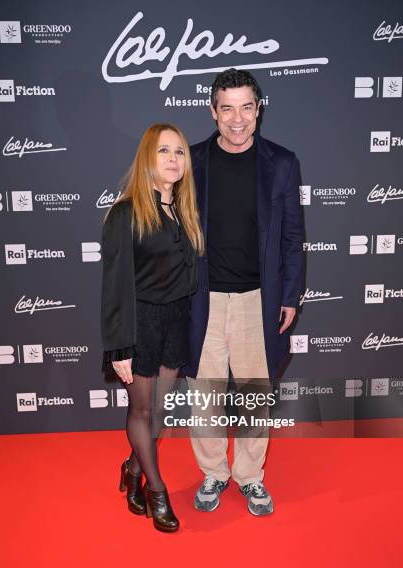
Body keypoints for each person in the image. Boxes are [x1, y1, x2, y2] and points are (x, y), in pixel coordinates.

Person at [184, 69, 305, 516]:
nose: (238, 119)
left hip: (259, 300)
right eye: (227, 108)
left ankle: (250, 477)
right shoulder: (190, 162)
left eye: (246, 107)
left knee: (256, 398)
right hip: (203, 302)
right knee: (205, 398)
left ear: (259, 110)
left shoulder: (283, 163)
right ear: (212, 111)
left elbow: (293, 236)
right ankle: (214, 473)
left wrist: (289, 295)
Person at [101, 123, 203, 532]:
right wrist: (119, 346)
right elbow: (115, 285)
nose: (174, 160)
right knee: (141, 410)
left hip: (176, 320)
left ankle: (131, 467)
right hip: (140, 322)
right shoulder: (126, 212)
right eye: (164, 151)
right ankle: (155, 489)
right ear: (148, 157)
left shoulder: (184, 210)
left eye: (179, 152)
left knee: (158, 413)